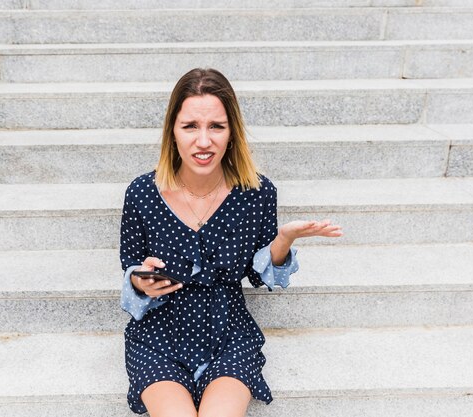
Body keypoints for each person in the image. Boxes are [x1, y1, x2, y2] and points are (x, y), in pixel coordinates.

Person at [119, 68, 342, 417]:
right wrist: (140, 280)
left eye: (216, 127)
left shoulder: (258, 193)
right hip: (159, 336)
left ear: (232, 133)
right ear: (172, 132)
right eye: (190, 126)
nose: (203, 141)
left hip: (228, 334)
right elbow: (130, 265)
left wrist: (283, 239)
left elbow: (257, 275)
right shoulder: (142, 194)